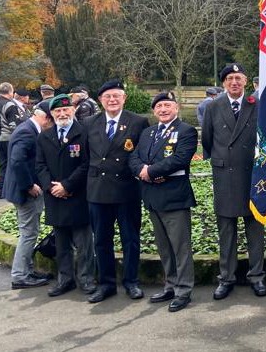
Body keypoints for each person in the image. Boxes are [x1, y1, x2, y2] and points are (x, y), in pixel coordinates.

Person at [202, 63, 266, 301]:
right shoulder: (214, 106)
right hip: (225, 175)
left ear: (246, 81)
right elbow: (207, 140)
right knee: (226, 230)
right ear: (224, 83)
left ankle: (257, 276)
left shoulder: (256, 105)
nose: (234, 82)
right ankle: (226, 278)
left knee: (255, 229)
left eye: (238, 78)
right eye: (230, 78)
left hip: (252, 175)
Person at [130, 91, 198, 312]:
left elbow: (180, 158)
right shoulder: (148, 132)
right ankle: (170, 284)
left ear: (176, 108)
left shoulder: (185, 131)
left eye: (167, 105)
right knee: (164, 247)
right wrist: (143, 171)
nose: (163, 110)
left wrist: (151, 171)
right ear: (154, 111)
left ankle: (184, 290)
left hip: (174, 197)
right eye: (159, 107)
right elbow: (134, 157)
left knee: (180, 247)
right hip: (152, 196)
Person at [83, 80, 150, 303]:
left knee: (130, 238)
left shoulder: (138, 122)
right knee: (101, 240)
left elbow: (142, 155)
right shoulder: (89, 122)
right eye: (107, 97)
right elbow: (85, 157)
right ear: (100, 100)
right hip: (98, 190)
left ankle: (131, 282)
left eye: (116, 96)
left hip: (126, 189)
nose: (112, 100)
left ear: (124, 98)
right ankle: (106, 284)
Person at [35, 94, 96, 297]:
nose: (62, 113)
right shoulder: (44, 136)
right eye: (58, 111)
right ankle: (65, 279)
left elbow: (87, 164)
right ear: (52, 114)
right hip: (55, 198)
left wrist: (67, 185)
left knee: (84, 244)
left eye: (66, 109)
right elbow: (40, 165)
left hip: (78, 195)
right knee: (61, 244)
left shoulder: (84, 133)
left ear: (73, 110)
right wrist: (50, 187)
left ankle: (86, 279)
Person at [4, 100, 55, 289]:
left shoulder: (27, 128)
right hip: (25, 192)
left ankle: (26, 269)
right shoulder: (27, 132)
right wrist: (29, 186)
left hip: (23, 191)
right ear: (46, 117)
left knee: (29, 231)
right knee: (29, 233)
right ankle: (20, 276)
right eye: (52, 120)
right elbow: (17, 161)